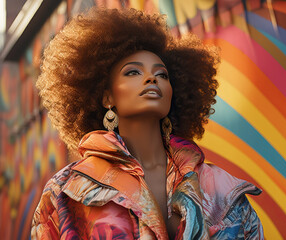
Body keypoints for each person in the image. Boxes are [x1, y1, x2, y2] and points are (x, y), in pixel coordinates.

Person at [31, 7, 263, 239]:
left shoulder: (219, 187)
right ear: (107, 97)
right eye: (133, 72)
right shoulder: (67, 190)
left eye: (162, 75)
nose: (152, 78)